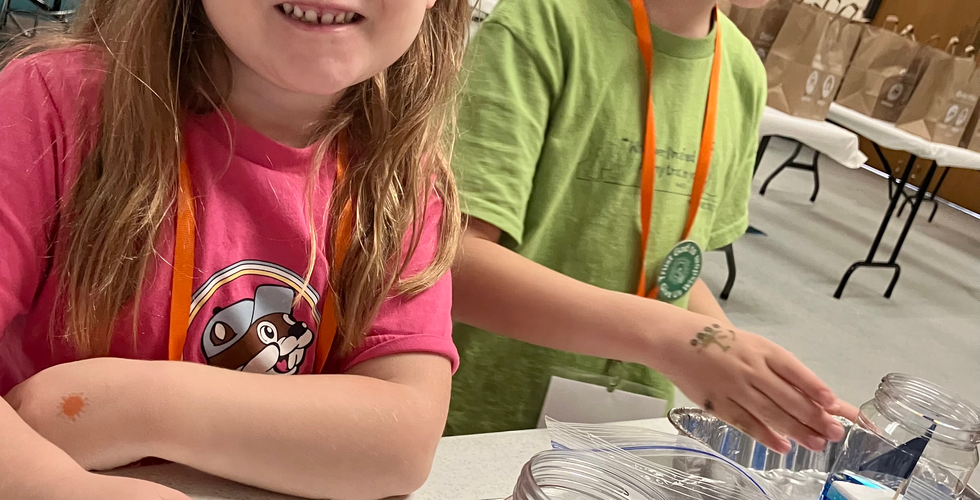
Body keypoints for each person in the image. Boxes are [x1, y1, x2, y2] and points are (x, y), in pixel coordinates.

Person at [0, 0, 468, 498]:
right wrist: (53, 484)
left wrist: (137, 408)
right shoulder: (52, 104)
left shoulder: (403, 181)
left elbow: (400, 443)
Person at [448, 0, 858, 452]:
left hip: (622, 441)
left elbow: (672, 271)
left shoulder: (741, 71)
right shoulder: (543, 21)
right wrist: (670, 338)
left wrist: (740, 364)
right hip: (481, 426)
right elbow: (455, 264)